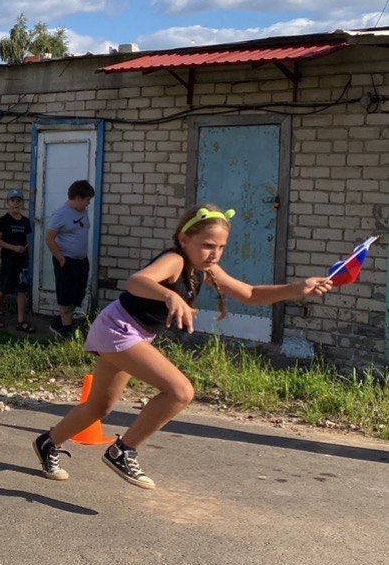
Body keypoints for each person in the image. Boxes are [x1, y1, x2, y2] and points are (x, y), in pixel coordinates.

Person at [32, 204, 333, 489]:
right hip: (119, 330)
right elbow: (137, 281)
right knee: (180, 391)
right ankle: (123, 451)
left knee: (99, 406)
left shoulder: (206, 269)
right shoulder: (175, 260)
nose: (215, 253)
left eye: (221, 247)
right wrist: (170, 296)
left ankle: (48, 442)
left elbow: (250, 294)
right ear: (184, 239)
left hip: (129, 332)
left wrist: (298, 289)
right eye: (207, 245)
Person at [46, 179, 95, 339]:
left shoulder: (82, 211)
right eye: (87, 200)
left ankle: (58, 324)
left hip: (81, 261)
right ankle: (66, 332)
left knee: (78, 295)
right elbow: (49, 239)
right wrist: (60, 258)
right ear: (78, 198)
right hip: (66, 261)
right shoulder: (61, 214)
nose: (88, 204)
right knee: (66, 297)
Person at [0, 189, 34, 333]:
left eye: (18, 201)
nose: (15, 203)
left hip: (22, 261)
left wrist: (27, 247)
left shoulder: (25, 221)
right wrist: (13, 248)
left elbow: (29, 239)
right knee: (4, 287)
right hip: (9, 260)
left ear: (22, 203)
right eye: (12, 201)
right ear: (7, 203)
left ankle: (21, 321)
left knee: (22, 290)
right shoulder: (4, 220)